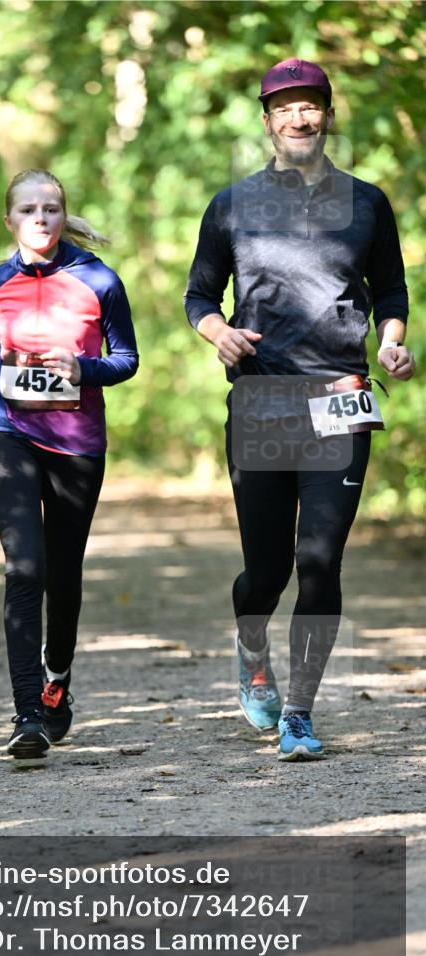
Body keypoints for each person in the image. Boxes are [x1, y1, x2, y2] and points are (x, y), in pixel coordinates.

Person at [184, 59, 414, 761]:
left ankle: (301, 713)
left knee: (318, 559)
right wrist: (217, 332)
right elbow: (199, 297)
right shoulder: (231, 204)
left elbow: (391, 293)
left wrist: (393, 343)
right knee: (266, 571)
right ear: (266, 121)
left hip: (339, 398)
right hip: (260, 400)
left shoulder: (367, 203)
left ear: (327, 114)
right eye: (283, 108)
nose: (298, 117)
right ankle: (251, 648)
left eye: (309, 105)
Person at [0, 169, 139, 762]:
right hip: (7, 429)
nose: (40, 218)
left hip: (76, 442)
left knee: (63, 574)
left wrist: (83, 369)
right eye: (28, 210)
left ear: (64, 216)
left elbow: (126, 358)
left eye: (52, 208)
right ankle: (27, 713)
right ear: (10, 221)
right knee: (24, 569)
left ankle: (56, 677)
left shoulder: (99, 281)